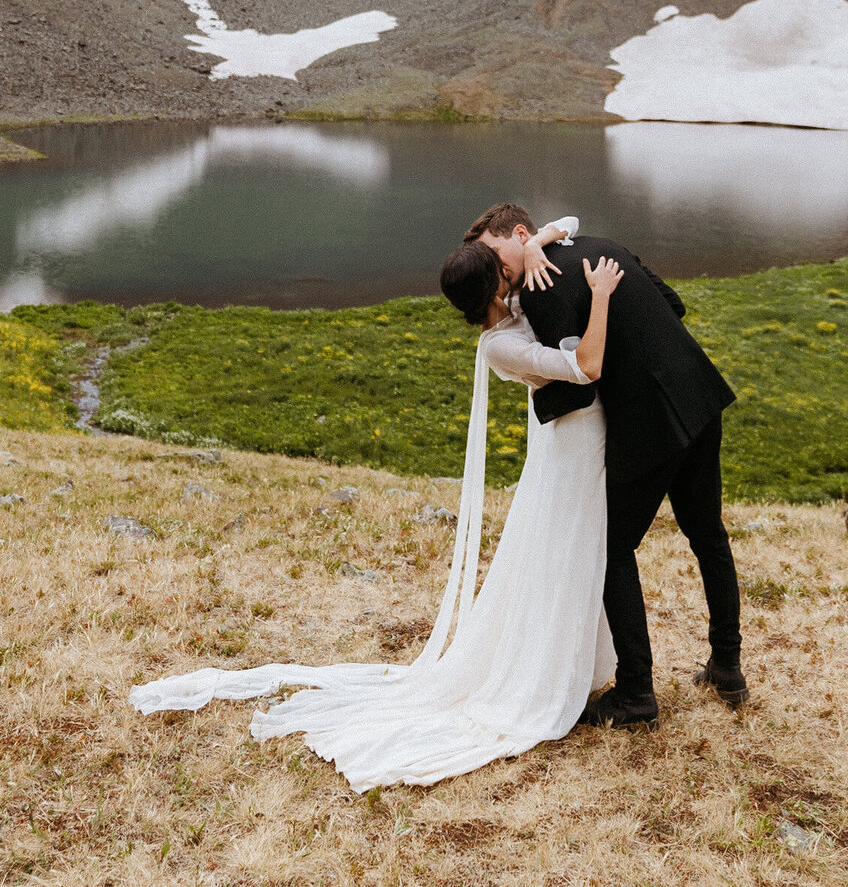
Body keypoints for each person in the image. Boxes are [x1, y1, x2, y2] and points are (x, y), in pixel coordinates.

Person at [128, 215, 627, 790]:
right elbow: (585, 366)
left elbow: (558, 223)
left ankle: (582, 664)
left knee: (574, 549)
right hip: (569, 448)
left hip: (568, 441)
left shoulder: (511, 304)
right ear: (495, 290)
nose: (513, 276)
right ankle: (549, 674)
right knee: (569, 547)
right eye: (504, 275)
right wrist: (602, 298)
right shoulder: (502, 344)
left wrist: (535, 246)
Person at [468, 202, 746, 724]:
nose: (496, 272)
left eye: (494, 255)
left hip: (650, 421)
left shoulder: (538, 290)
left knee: (613, 547)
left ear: (519, 234)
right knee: (708, 533)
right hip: (697, 390)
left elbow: (579, 384)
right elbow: (673, 302)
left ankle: (637, 693)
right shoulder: (598, 244)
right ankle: (727, 667)